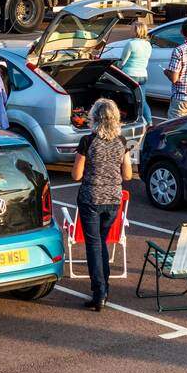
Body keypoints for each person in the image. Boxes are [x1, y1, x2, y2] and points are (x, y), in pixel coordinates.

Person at [72, 98, 132, 311]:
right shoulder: (122, 142)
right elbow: (128, 174)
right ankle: (104, 288)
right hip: (113, 200)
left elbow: (76, 174)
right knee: (102, 242)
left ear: (94, 118)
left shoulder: (88, 141)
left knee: (94, 245)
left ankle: (99, 292)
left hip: (91, 199)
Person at [117, 19, 153, 125]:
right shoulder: (148, 45)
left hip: (130, 75)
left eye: (131, 29)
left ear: (136, 31)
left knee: (128, 100)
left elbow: (122, 62)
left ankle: (131, 120)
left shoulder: (131, 44)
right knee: (142, 100)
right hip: (143, 75)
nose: (130, 31)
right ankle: (149, 122)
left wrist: (117, 66)